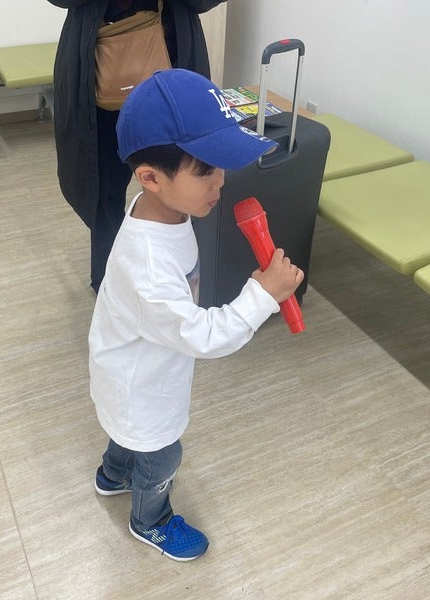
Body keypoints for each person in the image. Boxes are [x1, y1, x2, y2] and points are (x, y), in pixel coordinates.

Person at [89, 68, 305, 561]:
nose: (221, 181)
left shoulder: (157, 208)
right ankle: (150, 520)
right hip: (143, 383)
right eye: (206, 170)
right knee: (162, 453)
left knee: (129, 435)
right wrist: (262, 295)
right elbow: (203, 337)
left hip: (128, 364)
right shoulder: (149, 268)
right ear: (151, 177)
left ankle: (113, 474)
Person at [45, 0, 227, 293]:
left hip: (173, 65)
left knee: (184, 180)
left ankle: (178, 279)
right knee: (104, 190)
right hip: (97, 74)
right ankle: (110, 282)